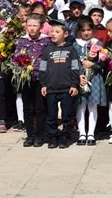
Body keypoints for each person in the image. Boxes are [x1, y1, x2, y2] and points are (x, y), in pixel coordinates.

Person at [39, 18, 80, 149]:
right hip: (51, 88)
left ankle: (65, 137)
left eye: (57, 32)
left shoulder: (71, 50)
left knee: (67, 115)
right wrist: (43, 84)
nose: (53, 34)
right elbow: (42, 68)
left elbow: (75, 68)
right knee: (51, 115)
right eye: (52, 32)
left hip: (67, 88)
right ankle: (53, 137)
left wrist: (74, 84)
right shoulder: (47, 50)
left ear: (65, 34)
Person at [15, 14, 50, 147]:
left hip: (41, 80)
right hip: (26, 79)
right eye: (29, 25)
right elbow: (16, 58)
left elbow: (48, 59)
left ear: (41, 27)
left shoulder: (47, 41)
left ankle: (40, 135)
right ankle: (30, 135)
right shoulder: (22, 41)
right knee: (28, 108)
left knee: (40, 108)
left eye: (35, 26)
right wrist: (20, 68)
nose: (32, 28)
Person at [74, 17, 106, 146]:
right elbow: (73, 63)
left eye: (89, 29)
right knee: (81, 106)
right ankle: (82, 133)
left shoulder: (97, 43)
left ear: (93, 30)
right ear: (79, 31)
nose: (86, 33)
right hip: (80, 78)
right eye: (83, 30)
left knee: (92, 106)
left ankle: (91, 133)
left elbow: (103, 63)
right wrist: (79, 73)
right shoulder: (75, 44)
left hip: (95, 77)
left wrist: (92, 64)